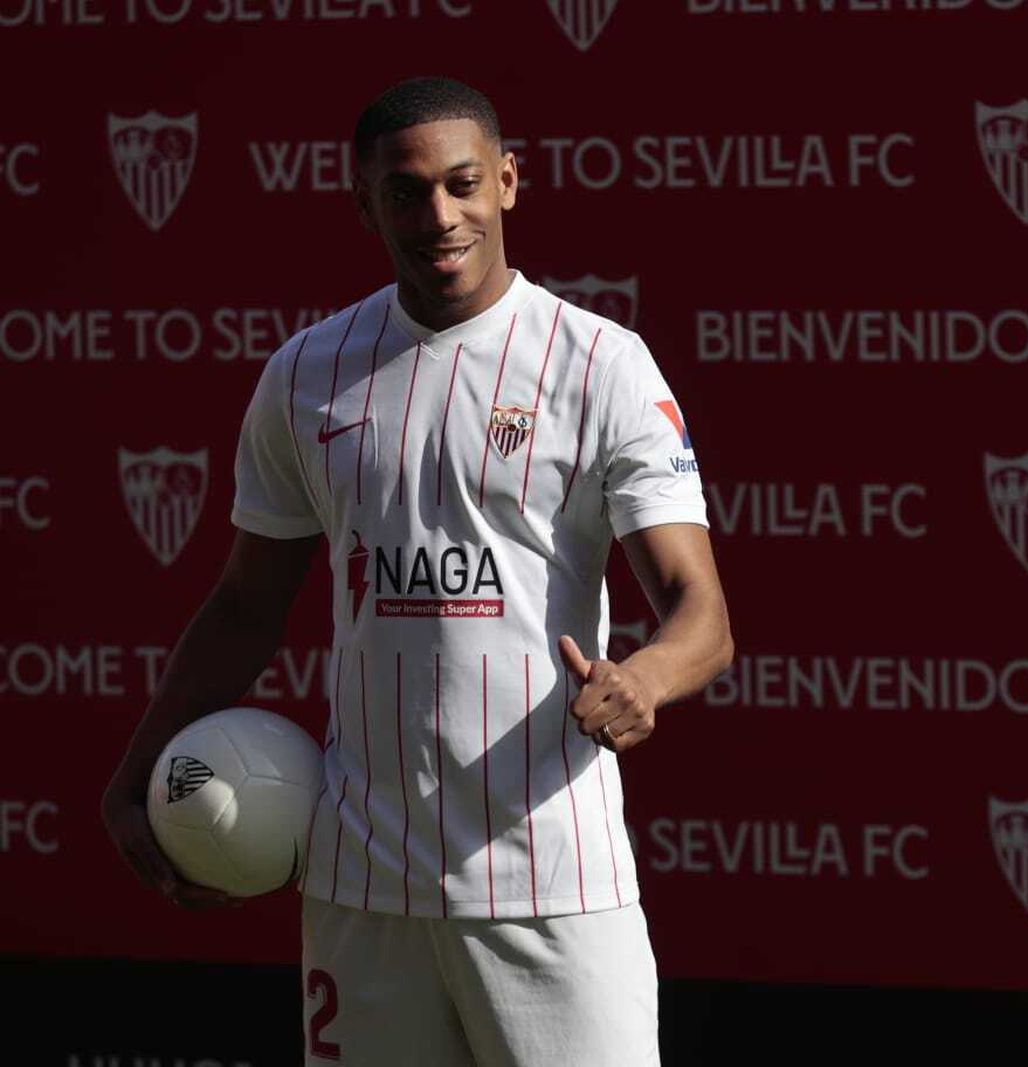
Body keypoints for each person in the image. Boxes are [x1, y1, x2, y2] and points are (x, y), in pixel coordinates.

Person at [101, 75, 734, 1066]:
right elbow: (246, 603)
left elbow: (702, 613)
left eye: (462, 183)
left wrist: (643, 678)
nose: (439, 215)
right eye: (405, 191)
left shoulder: (600, 365)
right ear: (365, 203)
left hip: (550, 882)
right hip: (362, 886)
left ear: (507, 182)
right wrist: (138, 770)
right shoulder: (306, 373)